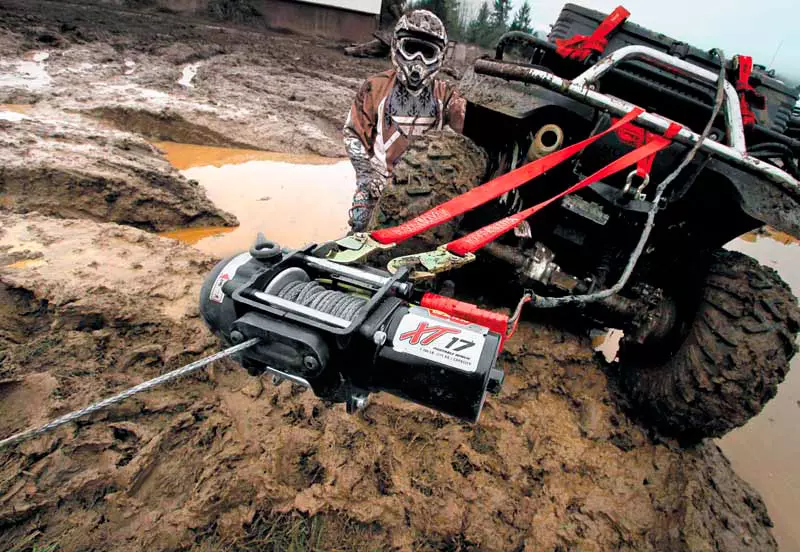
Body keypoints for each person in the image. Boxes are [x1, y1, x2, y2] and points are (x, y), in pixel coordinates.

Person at [343, 10, 467, 232]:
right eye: (411, 49)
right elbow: (353, 133)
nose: (417, 60)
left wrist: (460, 116)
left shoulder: (445, 94)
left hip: (424, 189)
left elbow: (463, 134)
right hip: (379, 185)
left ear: (439, 56)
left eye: (427, 52)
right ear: (397, 46)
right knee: (360, 234)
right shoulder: (375, 87)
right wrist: (364, 179)